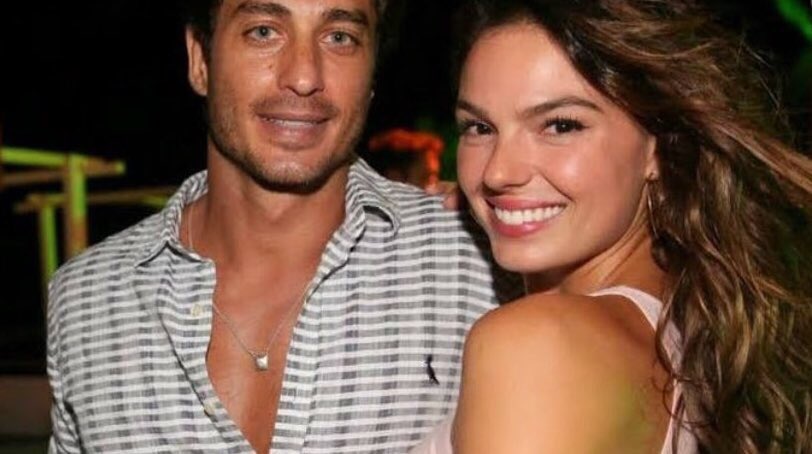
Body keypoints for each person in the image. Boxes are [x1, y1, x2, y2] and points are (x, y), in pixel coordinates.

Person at [45, 1, 516, 452]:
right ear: (200, 60)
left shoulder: (481, 266)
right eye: (264, 31)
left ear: (372, 73)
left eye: (340, 37)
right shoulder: (86, 299)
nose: (304, 76)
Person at [412, 0, 812, 452]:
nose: (497, 172)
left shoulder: (538, 345)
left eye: (561, 126)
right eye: (479, 128)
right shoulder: (689, 339)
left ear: (658, 148)